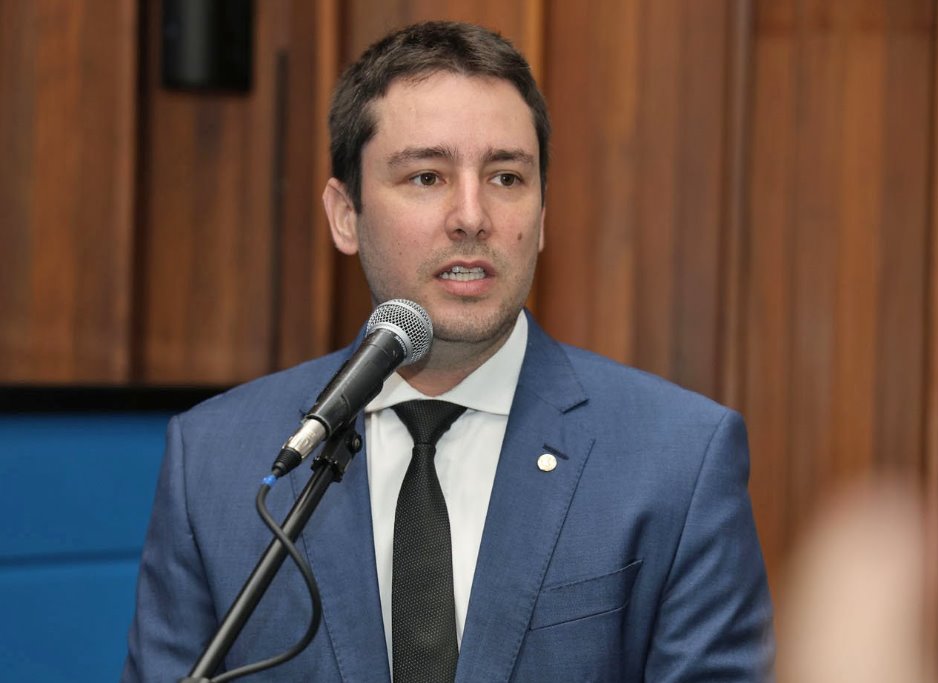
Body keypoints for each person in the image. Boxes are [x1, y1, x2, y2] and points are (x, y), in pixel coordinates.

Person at [123, 20, 773, 682]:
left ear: (543, 215)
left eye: (507, 177)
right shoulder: (214, 463)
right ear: (345, 215)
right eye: (427, 176)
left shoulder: (678, 460)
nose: (471, 215)